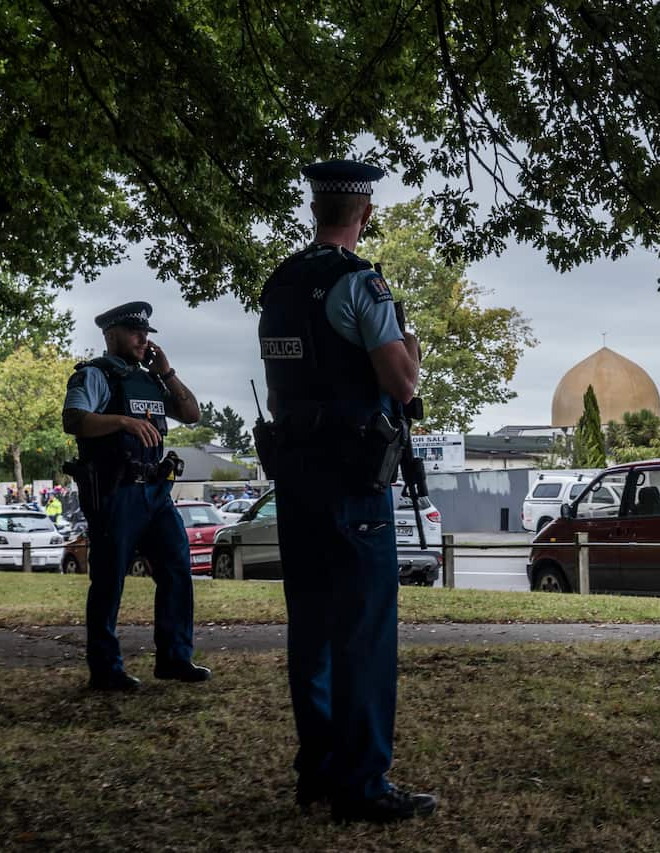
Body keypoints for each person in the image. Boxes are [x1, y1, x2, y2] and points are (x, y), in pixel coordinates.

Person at [257, 160, 436, 823]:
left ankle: (318, 769)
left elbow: (278, 387)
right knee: (362, 627)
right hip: (351, 476)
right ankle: (363, 782)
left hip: (295, 472)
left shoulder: (279, 284)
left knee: (310, 625)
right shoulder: (361, 283)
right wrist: (409, 345)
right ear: (363, 214)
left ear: (315, 210)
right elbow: (402, 382)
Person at [62, 301, 212, 691]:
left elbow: (192, 414)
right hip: (115, 491)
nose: (143, 339)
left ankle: (176, 658)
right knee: (109, 580)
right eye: (134, 332)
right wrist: (123, 422)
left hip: (155, 493)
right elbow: (73, 419)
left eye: (146, 334)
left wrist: (168, 372)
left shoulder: (151, 379)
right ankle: (106, 669)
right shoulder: (96, 375)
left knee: (178, 570)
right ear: (111, 335)